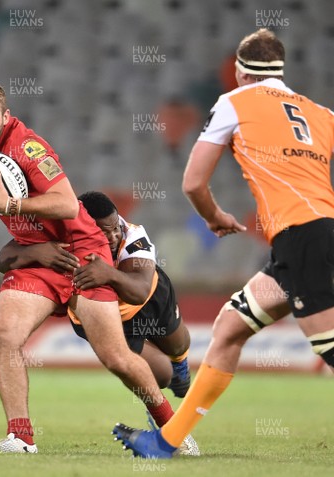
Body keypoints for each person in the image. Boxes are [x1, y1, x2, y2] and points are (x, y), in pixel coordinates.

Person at [0, 79, 179, 454]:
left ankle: (174, 428)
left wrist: (11, 206)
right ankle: (21, 438)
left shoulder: (28, 146)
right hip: (38, 257)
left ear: (5, 116)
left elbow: (68, 205)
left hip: (83, 252)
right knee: (2, 336)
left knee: (116, 358)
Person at [113, 28, 334, 458]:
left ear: (239, 72)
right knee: (230, 328)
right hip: (314, 234)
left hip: (301, 235)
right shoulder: (322, 114)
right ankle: (166, 442)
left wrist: (215, 217)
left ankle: (164, 442)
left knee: (329, 347)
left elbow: (194, 182)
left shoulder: (234, 101)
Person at [0, 191, 193, 398]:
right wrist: (34, 253)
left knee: (179, 345)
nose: (115, 235)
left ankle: (180, 366)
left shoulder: (132, 236)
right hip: (106, 318)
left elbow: (140, 291)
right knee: (160, 376)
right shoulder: (59, 234)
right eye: (105, 231)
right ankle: (159, 410)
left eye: (115, 227)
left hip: (149, 299)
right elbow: (2, 261)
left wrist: (110, 275)